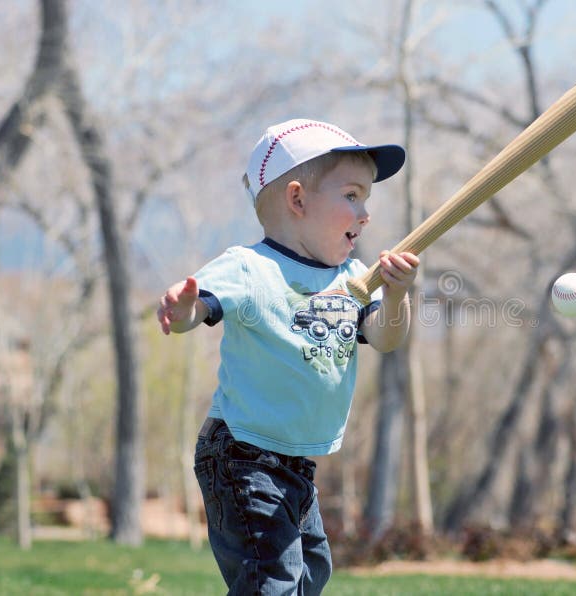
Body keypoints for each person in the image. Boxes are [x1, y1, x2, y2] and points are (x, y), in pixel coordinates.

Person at [156, 118, 419, 595]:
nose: (365, 214)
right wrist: (185, 309)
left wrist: (398, 297)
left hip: (296, 460)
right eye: (352, 196)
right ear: (297, 200)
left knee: (309, 575)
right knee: (270, 581)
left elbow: (385, 338)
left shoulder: (354, 279)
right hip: (241, 454)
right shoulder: (251, 267)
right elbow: (200, 308)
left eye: (366, 200)